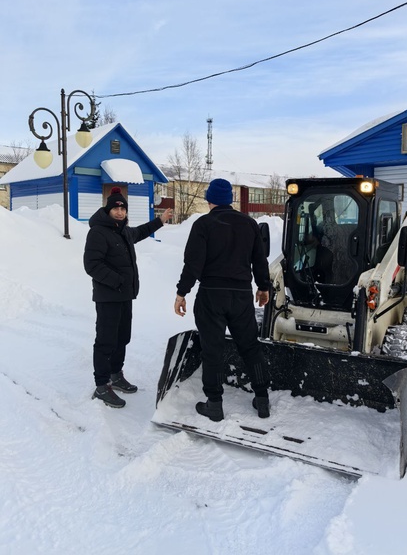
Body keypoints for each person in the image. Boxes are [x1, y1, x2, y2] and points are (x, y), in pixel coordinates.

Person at [174, 178, 271, 422]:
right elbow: (260, 260)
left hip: (211, 295)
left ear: (209, 200)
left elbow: (193, 263)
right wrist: (263, 287)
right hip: (241, 296)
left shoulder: (203, 224)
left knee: (212, 349)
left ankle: (214, 404)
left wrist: (181, 292)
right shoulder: (249, 224)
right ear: (230, 199)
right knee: (250, 346)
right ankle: (262, 399)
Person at [84, 187, 172, 408]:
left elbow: (140, 233)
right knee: (106, 340)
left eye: (123, 208)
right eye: (116, 207)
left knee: (122, 337)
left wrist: (159, 221)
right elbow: (92, 265)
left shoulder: (123, 231)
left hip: (125, 296)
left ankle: (116, 375)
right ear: (109, 209)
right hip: (108, 297)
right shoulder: (98, 232)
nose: (120, 211)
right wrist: (117, 281)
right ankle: (102, 385)